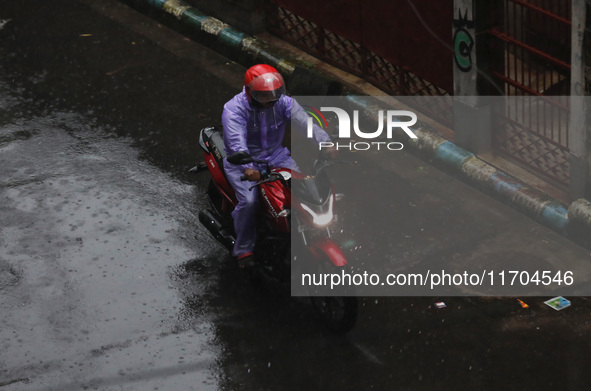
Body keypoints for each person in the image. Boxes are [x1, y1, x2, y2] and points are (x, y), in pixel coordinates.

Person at [221, 64, 334, 268]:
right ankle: (244, 248)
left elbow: (305, 123)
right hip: (245, 164)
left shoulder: (283, 103)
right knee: (249, 201)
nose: (270, 100)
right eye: (264, 96)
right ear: (249, 91)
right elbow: (236, 141)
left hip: (277, 157)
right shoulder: (234, 109)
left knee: (306, 192)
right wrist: (248, 167)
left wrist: (325, 142)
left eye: (273, 95)